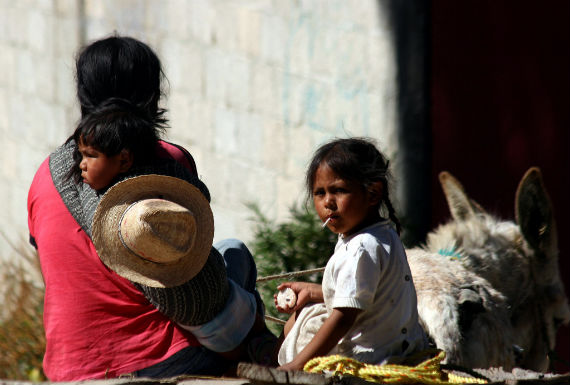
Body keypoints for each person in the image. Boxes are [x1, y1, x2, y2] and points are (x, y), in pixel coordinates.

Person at [27, 35, 274, 381]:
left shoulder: (45, 176)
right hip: (167, 358)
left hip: (69, 370)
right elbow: (193, 262)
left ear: (83, 94)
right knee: (235, 256)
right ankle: (263, 348)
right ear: (151, 95)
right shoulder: (167, 162)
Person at [274, 137, 428, 371]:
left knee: (300, 322)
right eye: (319, 193)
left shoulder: (361, 248)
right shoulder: (381, 234)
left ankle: (273, 360)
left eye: (339, 190)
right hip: (397, 345)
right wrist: (312, 291)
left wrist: (297, 365)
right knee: (307, 312)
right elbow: (367, 293)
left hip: (370, 357)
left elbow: (344, 317)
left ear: (373, 193)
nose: (328, 202)